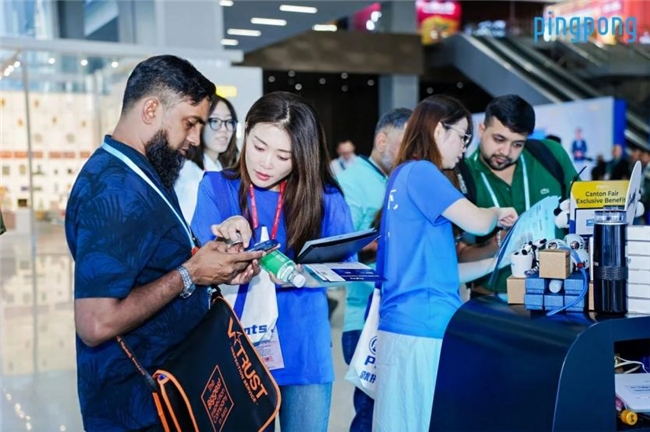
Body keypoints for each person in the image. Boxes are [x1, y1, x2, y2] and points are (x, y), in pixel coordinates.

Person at [64, 55, 264, 431]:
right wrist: (190, 274)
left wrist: (211, 265)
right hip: (136, 406)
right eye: (190, 123)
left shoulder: (142, 170)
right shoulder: (114, 190)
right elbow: (95, 321)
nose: (195, 139)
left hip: (168, 392)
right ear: (151, 109)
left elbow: (153, 263)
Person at [191, 91, 354, 432]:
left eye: (283, 156)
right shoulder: (217, 187)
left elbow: (346, 269)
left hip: (305, 351)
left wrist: (303, 274)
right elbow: (198, 267)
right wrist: (224, 240)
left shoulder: (324, 199)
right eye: (259, 146)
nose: (266, 164)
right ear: (246, 132)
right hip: (236, 352)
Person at [372, 95, 518, 432]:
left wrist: (500, 259)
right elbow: (477, 222)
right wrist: (498, 212)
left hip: (409, 328)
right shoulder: (422, 172)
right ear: (439, 130)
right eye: (463, 137)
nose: (464, 149)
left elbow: (444, 273)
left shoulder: (402, 176)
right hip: (423, 330)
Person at [337, 107, 411, 432]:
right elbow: (340, 244)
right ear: (382, 141)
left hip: (396, 317)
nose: (412, 152)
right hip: (364, 321)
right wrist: (389, 241)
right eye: (406, 142)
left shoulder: (395, 180)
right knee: (369, 416)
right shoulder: (352, 181)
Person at [459, 95, 578, 298]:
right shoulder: (463, 177)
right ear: (481, 130)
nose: (506, 152)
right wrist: (499, 242)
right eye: (499, 139)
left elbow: (583, 212)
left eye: (517, 144)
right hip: (493, 299)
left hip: (557, 291)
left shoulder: (550, 155)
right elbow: (460, 257)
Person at [175, 94, 239, 223]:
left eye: (229, 121)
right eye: (215, 121)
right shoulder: (189, 173)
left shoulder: (222, 168)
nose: (224, 129)